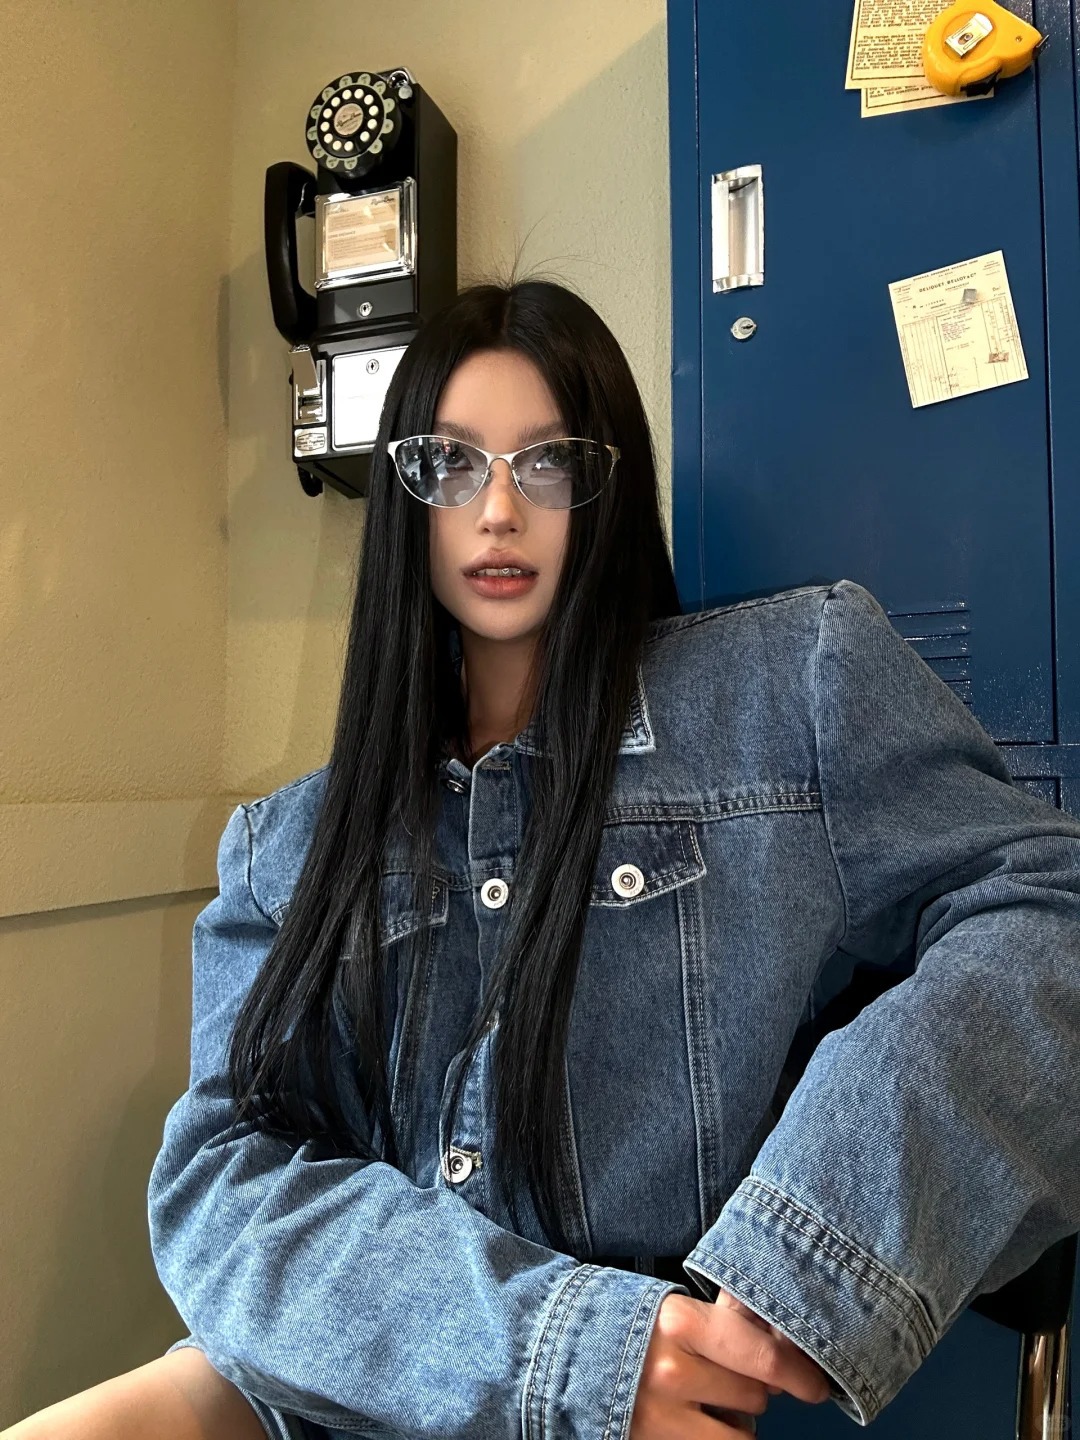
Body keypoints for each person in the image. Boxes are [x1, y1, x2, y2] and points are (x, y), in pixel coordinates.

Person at [8, 279, 1080, 1440]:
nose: (499, 511)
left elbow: (1050, 911)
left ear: (607, 487)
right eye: (452, 464)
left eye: (549, 464)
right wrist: (573, 1352)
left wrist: (812, 1255)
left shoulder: (787, 694)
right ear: (405, 499)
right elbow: (225, 1175)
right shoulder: (289, 849)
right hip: (346, 1389)